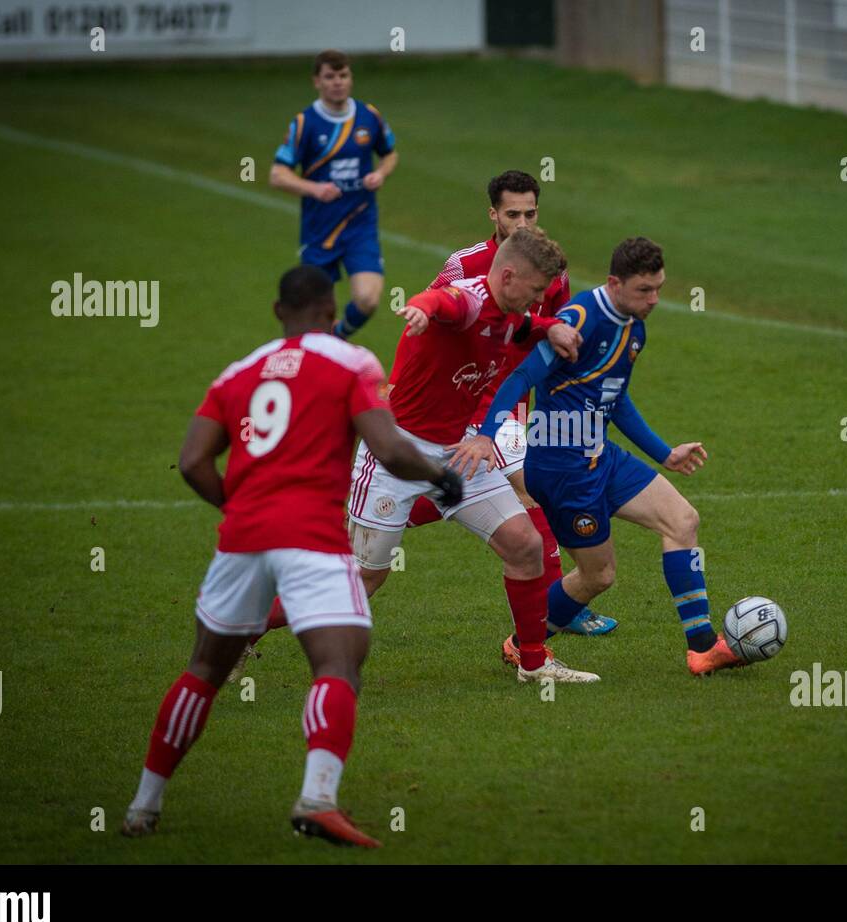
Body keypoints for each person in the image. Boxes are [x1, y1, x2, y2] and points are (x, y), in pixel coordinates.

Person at [121, 265, 461, 848]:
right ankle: (317, 799)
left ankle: (143, 805)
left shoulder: (238, 372)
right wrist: (438, 475)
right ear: (332, 313)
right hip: (310, 538)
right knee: (337, 665)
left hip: (243, 537)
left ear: (278, 312)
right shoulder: (351, 362)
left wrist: (238, 505)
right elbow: (387, 446)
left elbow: (192, 462)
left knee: (204, 670)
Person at [451, 238, 744, 676]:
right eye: (645, 290)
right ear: (614, 283)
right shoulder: (580, 319)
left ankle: (702, 648)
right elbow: (520, 377)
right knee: (598, 576)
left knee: (683, 520)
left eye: (659, 288)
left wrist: (665, 453)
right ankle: (522, 643)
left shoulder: (634, 329)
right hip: (561, 469)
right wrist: (487, 436)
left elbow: (616, 399)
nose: (654, 299)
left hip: (600, 456)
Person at [341, 227, 598, 683]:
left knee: (525, 545)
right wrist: (420, 309)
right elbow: (446, 303)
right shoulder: (471, 300)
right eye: (536, 290)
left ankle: (533, 664)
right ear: (510, 275)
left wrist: (550, 325)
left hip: (457, 451)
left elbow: (522, 326)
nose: (540, 299)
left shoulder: (509, 310)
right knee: (363, 581)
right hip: (395, 454)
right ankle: (247, 632)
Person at [408, 169, 619, 645]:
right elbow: (434, 321)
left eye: (530, 213)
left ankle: (395, 509)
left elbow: (550, 327)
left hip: (515, 401)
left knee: (506, 492)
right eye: (512, 214)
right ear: (493, 215)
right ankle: (557, 609)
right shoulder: (465, 264)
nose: (522, 223)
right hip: (470, 406)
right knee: (529, 491)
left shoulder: (550, 267)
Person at [269, 49, 396, 339]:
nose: (337, 82)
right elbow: (277, 175)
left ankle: (337, 338)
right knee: (312, 314)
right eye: (330, 76)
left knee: (368, 299)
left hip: (360, 226)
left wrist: (381, 173)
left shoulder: (369, 116)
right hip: (319, 230)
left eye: (343, 75)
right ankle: (318, 352)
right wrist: (313, 188)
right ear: (317, 81)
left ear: (350, 78)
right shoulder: (305, 124)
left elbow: (390, 154)